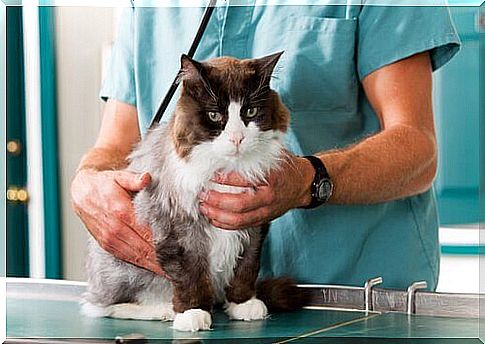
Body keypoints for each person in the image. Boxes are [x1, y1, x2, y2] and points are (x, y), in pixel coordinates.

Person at [71, 2, 460, 290]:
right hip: (202, 305)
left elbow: (417, 148)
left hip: (355, 298)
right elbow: (115, 145)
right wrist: (88, 184)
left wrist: (307, 181)